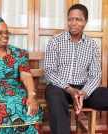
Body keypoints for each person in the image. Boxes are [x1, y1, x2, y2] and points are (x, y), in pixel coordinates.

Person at [44, 4, 108, 134]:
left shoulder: (92, 45)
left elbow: (95, 75)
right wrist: (70, 89)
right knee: (54, 96)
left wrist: (83, 93)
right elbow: (49, 71)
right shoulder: (55, 41)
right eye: (70, 19)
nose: (73, 23)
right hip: (60, 88)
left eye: (78, 19)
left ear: (85, 22)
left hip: (83, 90)